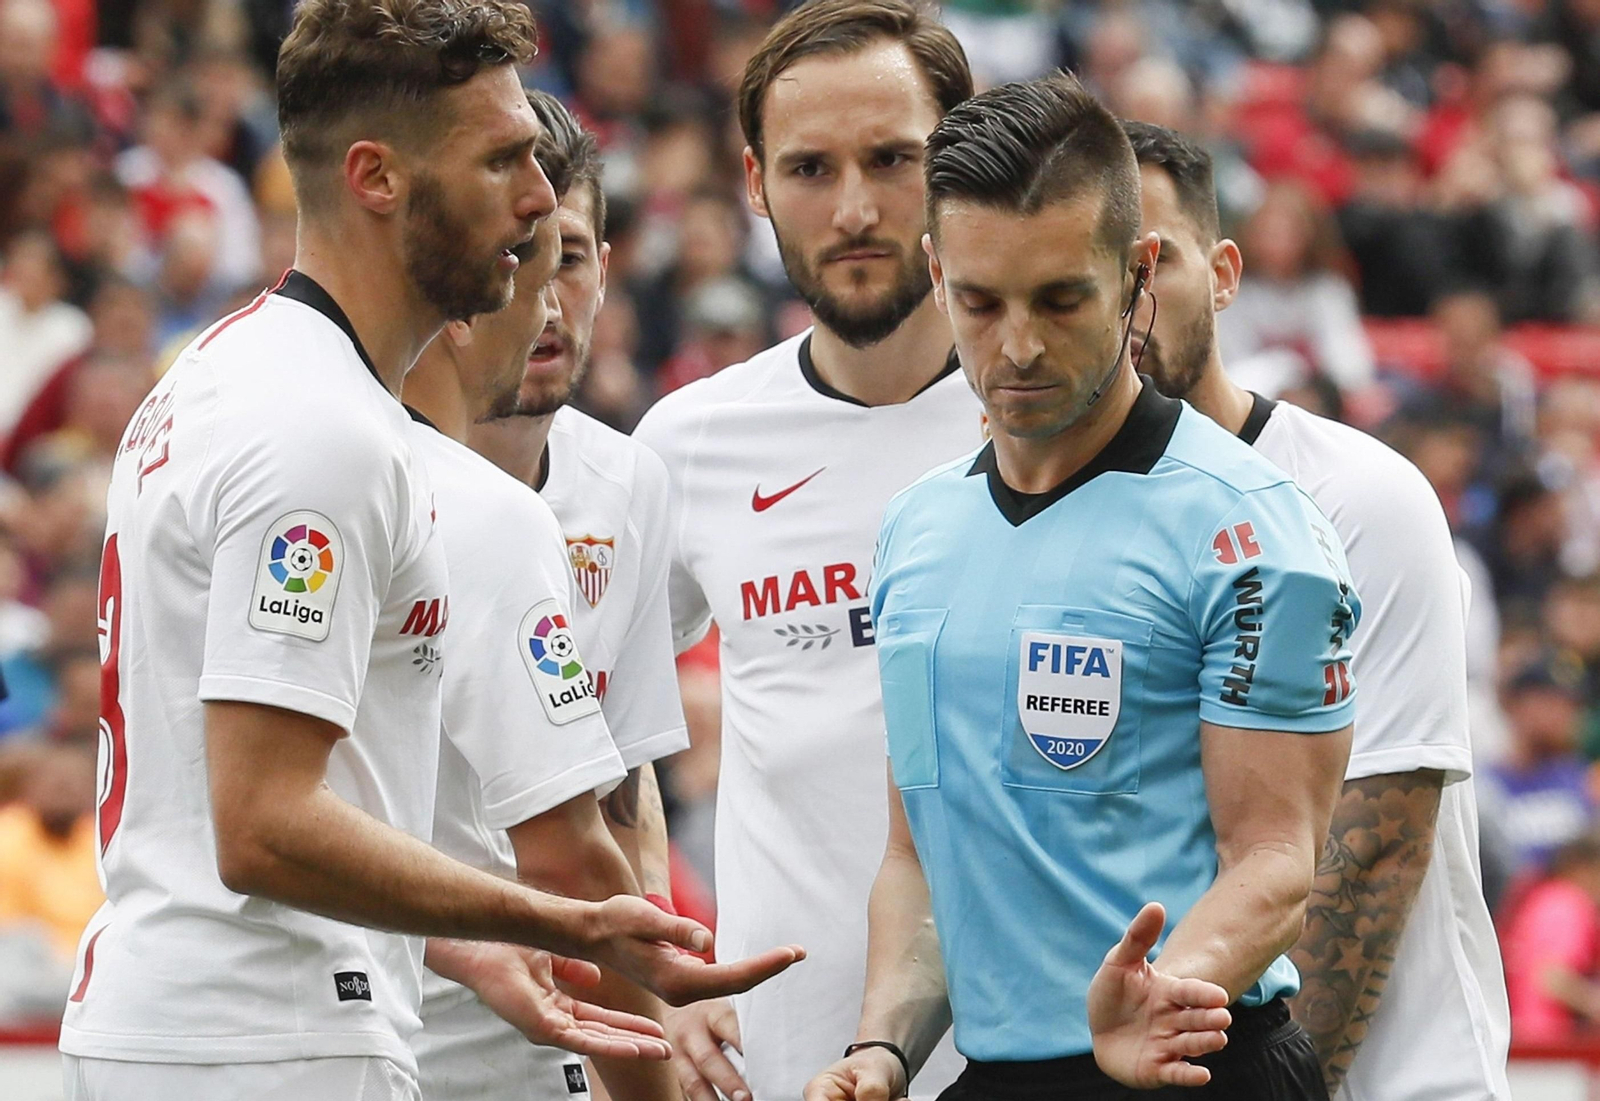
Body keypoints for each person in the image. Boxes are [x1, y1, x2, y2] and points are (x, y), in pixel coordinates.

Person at [59, 2, 799, 1099]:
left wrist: (461, 947)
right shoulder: (326, 432)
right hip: (275, 1042)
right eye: (500, 159)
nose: (539, 197)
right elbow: (260, 829)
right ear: (376, 178)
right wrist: (562, 921)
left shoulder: (217, 375)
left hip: (179, 1020)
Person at [808, 74, 1357, 1101]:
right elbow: (920, 861)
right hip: (994, 1077)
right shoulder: (915, 533)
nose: (1016, 345)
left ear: (1137, 272)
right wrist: (880, 1051)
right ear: (935, 273)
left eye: (1061, 299)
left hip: (1199, 1066)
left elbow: (1277, 858)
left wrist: (1165, 989)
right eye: (979, 301)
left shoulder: (1250, 529)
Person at [1121, 119, 1512, 1100]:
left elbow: (1374, 847)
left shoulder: (1354, 496)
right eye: (1086, 266)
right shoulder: (1051, 527)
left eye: (1147, 261)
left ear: (1222, 274)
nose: (1121, 300)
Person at [632, 3, 978, 1098]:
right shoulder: (690, 444)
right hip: (782, 1064)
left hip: (1039, 1060)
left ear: (961, 162)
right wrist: (652, 957)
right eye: (810, 169)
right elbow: (589, 726)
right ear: (754, 183)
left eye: (893, 160)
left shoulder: (1068, 430)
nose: (856, 209)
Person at [409, 93, 704, 1101]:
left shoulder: (630, 484)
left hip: (553, 1050)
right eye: (514, 254)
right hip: (377, 1036)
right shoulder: (367, 478)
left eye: (567, 256)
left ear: (607, 270)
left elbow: (623, 804)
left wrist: (657, 1021)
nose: (538, 295)